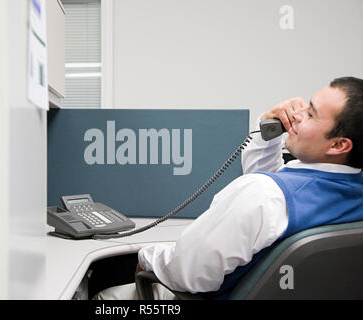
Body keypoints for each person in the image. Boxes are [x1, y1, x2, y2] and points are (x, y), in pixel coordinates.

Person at [94, 76, 363, 300]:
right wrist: (269, 130)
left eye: (311, 113)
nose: (297, 114)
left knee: (105, 298)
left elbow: (187, 274)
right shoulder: (346, 191)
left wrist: (147, 258)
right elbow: (274, 197)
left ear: (338, 145)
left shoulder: (264, 195)